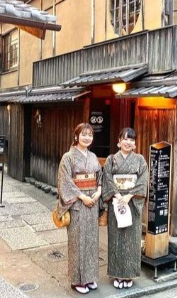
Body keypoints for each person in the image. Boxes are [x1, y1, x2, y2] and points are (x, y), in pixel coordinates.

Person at [56, 123, 102, 294]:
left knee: (91, 241)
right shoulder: (68, 157)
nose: (87, 137)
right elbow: (65, 181)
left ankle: (90, 277)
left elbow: (99, 177)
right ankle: (77, 280)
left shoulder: (93, 156)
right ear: (76, 136)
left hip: (92, 203)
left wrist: (98, 191)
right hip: (77, 204)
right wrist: (82, 196)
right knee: (77, 242)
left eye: (90, 135)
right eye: (84, 134)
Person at [102, 127, 149, 289]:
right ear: (118, 141)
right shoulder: (111, 159)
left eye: (131, 139)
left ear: (135, 144)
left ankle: (129, 275)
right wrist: (116, 196)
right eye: (125, 139)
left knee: (131, 239)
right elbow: (107, 178)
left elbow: (143, 180)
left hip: (132, 202)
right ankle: (117, 274)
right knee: (116, 239)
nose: (128, 142)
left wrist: (129, 196)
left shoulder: (140, 160)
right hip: (116, 203)